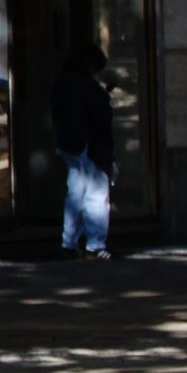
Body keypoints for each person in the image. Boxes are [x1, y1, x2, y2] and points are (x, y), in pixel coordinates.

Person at [53, 41, 114, 259]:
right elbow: (102, 115)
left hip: (68, 144)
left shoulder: (62, 81)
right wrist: (104, 97)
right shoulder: (87, 85)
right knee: (96, 194)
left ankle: (68, 242)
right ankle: (96, 245)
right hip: (89, 143)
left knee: (75, 194)